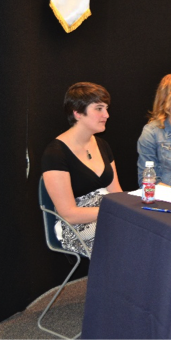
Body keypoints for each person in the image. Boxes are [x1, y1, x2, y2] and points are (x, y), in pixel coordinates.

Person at [41, 82, 122, 256]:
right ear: (77, 113)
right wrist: (115, 212)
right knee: (125, 239)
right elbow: (70, 214)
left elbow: (117, 194)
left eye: (106, 108)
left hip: (108, 215)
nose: (106, 115)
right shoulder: (55, 153)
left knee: (146, 230)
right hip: (76, 227)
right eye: (99, 108)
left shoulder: (103, 145)